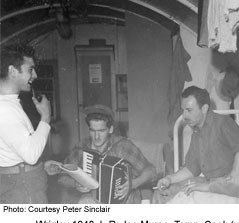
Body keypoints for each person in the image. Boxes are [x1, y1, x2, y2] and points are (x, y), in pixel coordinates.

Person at [153, 86, 239, 203]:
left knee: (185, 201)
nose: (184, 115)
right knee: (161, 194)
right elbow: (191, 169)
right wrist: (169, 179)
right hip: (208, 183)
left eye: (189, 110)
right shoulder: (197, 132)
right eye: (183, 110)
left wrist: (228, 182)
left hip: (227, 185)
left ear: (204, 109)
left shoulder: (223, 123)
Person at [45, 104, 157, 204]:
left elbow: (151, 171)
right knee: (86, 203)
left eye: (101, 131)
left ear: (111, 129)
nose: (96, 137)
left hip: (125, 199)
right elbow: (62, 177)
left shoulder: (123, 146)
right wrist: (75, 183)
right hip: (94, 198)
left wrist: (134, 183)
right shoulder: (82, 148)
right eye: (93, 131)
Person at [0, 44, 51, 203]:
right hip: (22, 187)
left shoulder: (10, 104)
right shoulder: (5, 109)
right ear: (13, 71)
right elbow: (30, 155)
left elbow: (18, 150)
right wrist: (46, 118)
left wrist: (41, 166)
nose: (34, 75)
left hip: (21, 180)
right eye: (30, 69)